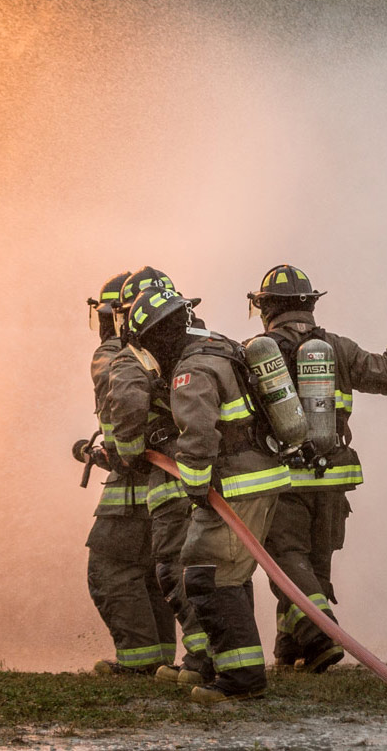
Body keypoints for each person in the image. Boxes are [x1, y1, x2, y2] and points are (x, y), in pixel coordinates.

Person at [247, 264, 387, 673]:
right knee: (315, 563)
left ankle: (320, 637)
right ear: (310, 304)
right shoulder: (338, 348)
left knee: (287, 560)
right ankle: (291, 648)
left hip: (283, 479)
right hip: (332, 477)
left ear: (267, 308)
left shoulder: (256, 353)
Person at [125, 287, 291, 704]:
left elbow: (199, 438)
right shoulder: (222, 347)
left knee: (206, 575)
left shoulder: (190, 370)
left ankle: (242, 679)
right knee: (227, 576)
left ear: (157, 337)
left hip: (236, 486)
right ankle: (227, 667)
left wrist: (197, 488)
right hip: (262, 477)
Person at [107, 266, 210, 687]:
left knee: (174, 566)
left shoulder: (136, 353)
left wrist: (130, 453)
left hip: (171, 476)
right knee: (213, 568)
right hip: (211, 474)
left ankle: (203, 658)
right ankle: (218, 656)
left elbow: (128, 403)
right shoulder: (203, 341)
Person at [84, 272, 175, 675]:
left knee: (110, 569)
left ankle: (141, 661)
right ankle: (159, 659)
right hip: (172, 486)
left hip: (137, 490)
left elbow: (115, 400)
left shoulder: (121, 354)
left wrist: (109, 340)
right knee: (155, 575)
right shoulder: (180, 345)